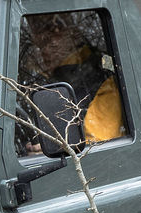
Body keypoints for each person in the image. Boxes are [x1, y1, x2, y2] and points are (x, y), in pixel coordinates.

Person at [19, 14, 124, 149]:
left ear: (70, 33)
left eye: (49, 39)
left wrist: (53, 150)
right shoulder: (43, 79)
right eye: (39, 46)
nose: (44, 50)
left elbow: (98, 144)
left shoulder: (103, 82)